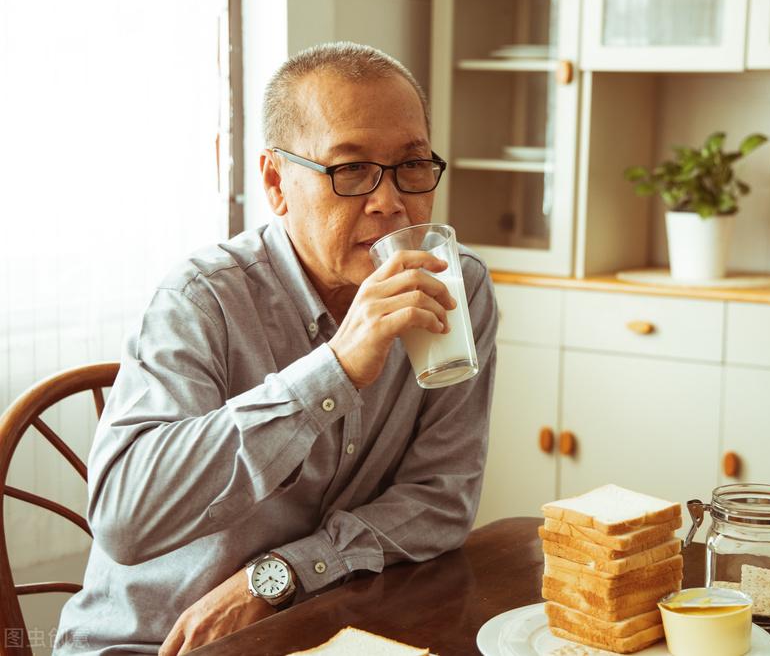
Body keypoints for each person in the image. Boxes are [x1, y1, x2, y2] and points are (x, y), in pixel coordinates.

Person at [53, 41, 498, 655]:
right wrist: (334, 370)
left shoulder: (455, 285)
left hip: (324, 627)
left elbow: (441, 498)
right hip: (156, 643)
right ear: (276, 182)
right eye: (351, 169)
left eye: (412, 165)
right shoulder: (201, 299)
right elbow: (125, 519)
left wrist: (285, 575)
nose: (391, 201)